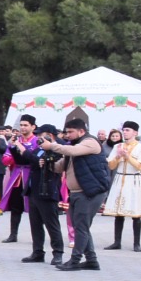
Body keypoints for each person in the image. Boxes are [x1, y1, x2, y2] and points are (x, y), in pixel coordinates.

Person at [39, 111, 109, 272]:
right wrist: (48, 163)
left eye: (70, 132)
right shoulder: (74, 147)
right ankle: (91, 261)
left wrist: (52, 146)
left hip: (90, 191)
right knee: (80, 226)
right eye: (66, 132)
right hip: (78, 192)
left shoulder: (90, 142)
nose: (67, 135)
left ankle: (75, 260)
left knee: (81, 227)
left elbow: (72, 151)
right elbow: (60, 166)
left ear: (81, 131)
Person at [101, 120, 141, 253]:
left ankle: (136, 243)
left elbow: (140, 166)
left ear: (135, 133)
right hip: (119, 178)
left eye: (128, 130)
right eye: (124, 130)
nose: (125, 132)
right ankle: (117, 242)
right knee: (118, 213)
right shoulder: (118, 146)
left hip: (133, 179)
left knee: (135, 213)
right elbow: (111, 166)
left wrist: (127, 156)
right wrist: (118, 157)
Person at [20, 124, 67, 265]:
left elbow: (56, 165)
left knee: (52, 224)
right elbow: (31, 160)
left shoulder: (58, 148)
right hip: (34, 190)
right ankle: (37, 252)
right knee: (35, 224)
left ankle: (58, 252)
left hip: (47, 190)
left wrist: (45, 161)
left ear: (50, 135)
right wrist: (18, 148)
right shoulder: (39, 148)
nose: (38, 137)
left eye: (41, 135)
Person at [0, 115, 39, 243]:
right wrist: (14, 153)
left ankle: (37, 237)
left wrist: (21, 152)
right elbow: (5, 159)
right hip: (17, 177)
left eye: (25, 125)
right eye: (21, 125)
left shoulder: (37, 141)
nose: (22, 127)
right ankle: (13, 234)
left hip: (31, 177)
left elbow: (34, 159)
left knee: (34, 208)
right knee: (16, 207)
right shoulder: (14, 141)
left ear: (33, 127)